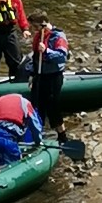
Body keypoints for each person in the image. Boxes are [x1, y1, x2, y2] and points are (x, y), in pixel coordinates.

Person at [28, 11, 70, 141]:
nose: (34, 29)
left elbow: (62, 56)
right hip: (39, 76)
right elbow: (35, 58)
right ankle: (38, 135)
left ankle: (62, 136)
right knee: (37, 105)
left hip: (53, 77)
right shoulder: (38, 36)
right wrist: (31, 74)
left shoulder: (58, 36)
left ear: (43, 25)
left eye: (35, 26)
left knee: (53, 107)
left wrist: (46, 50)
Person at [0, 88, 44, 167]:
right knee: (14, 164)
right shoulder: (25, 103)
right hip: (7, 139)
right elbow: (35, 126)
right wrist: (38, 141)